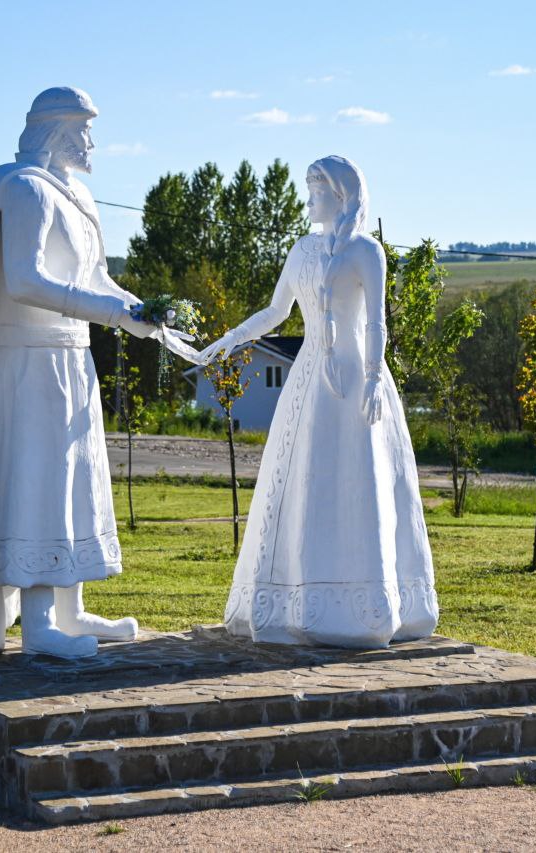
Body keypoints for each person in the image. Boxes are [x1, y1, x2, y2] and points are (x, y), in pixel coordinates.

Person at [0, 86, 193, 662]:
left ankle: (71, 609)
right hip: (31, 361)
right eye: (83, 129)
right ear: (56, 131)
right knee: (40, 481)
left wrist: (143, 313)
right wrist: (112, 313)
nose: (92, 141)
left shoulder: (79, 197)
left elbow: (98, 279)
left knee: (76, 479)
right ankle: (39, 624)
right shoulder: (27, 189)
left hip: (71, 358)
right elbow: (24, 279)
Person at [199, 155, 439, 648]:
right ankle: (298, 601)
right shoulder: (302, 249)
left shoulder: (366, 251)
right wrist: (232, 339)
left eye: (316, 191)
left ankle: (365, 606)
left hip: (356, 378)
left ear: (341, 195)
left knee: (358, 479)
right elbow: (276, 311)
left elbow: (376, 322)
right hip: (308, 379)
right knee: (306, 478)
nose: (308, 200)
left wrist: (372, 378)